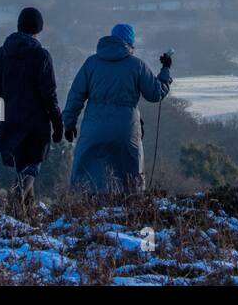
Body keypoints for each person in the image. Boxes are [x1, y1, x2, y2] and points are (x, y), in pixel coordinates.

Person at [62, 22, 172, 192]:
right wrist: (165, 69)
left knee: (87, 178)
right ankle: (127, 210)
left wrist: (68, 124)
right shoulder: (137, 65)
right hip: (125, 130)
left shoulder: (91, 63)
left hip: (94, 129)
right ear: (130, 43)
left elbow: (75, 96)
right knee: (130, 178)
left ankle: (87, 211)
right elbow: (155, 93)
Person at [0, 6, 63, 210]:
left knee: (23, 166)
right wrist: (57, 121)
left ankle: (27, 217)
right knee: (31, 167)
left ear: (19, 26)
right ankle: (16, 198)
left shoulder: (2, 54)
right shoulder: (41, 56)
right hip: (36, 121)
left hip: (10, 120)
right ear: (39, 29)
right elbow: (49, 93)